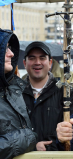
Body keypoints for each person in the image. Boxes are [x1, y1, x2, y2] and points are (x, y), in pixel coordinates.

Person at [22, 41, 73, 151]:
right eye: (32, 58)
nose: (37, 62)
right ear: (25, 63)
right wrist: (32, 146)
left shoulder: (67, 93)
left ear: (50, 63)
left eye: (42, 58)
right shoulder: (15, 94)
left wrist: (48, 147)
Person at [0, 29, 36, 158]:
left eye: (10, 48)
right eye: (5, 48)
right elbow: (28, 136)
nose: (11, 54)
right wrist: (27, 137)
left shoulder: (14, 89)